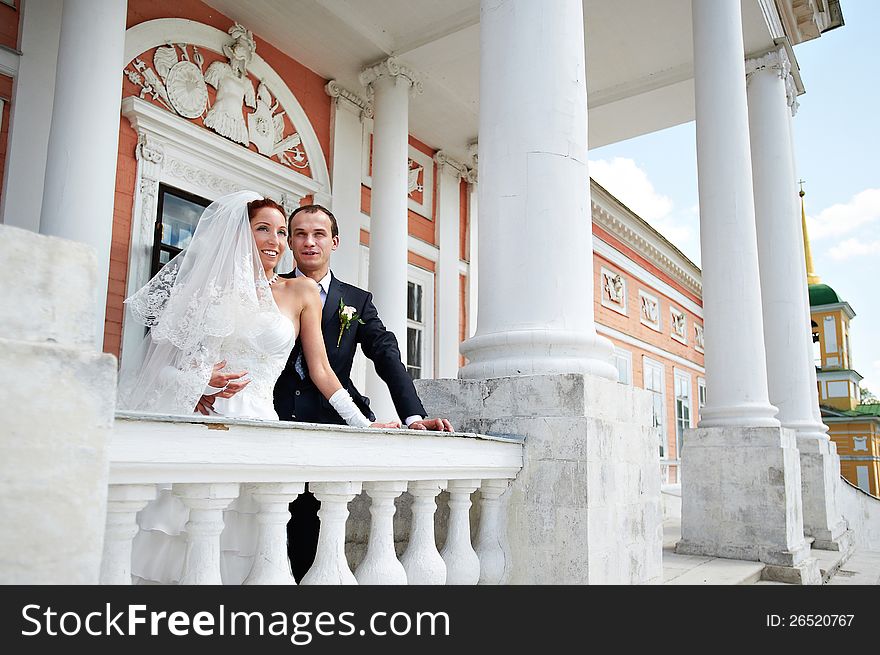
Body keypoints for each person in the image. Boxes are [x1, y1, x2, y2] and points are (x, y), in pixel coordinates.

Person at [118, 191, 397, 584]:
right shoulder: (212, 293)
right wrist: (198, 382)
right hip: (207, 426)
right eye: (263, 229)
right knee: (185, 537)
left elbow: (322, 370)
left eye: (281, 232)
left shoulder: (299, 294)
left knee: (247, 545)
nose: (275, 240)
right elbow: (164, 368)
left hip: (261, 427)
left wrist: (364, 425)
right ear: (240, 234)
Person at [273, 204, 454, 580]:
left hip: (332, 424)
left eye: (319, 234)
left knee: (314, 531)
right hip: (274, 419)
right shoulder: (269, 289)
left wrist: (413, 415)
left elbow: (387, 357)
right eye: (300, 234)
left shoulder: (355, 300)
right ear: (289, 242)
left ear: (334, 242)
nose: (309, 242)